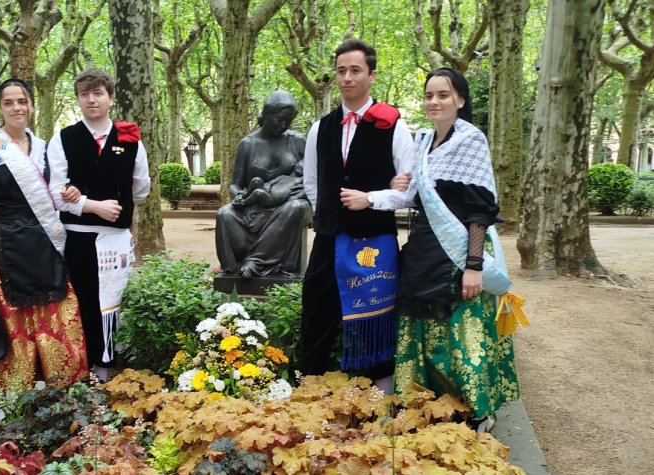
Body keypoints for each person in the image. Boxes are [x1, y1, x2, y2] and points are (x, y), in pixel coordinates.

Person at [388, 68, 520, 432]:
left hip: (461, 250)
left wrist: (474, 266)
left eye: (443, 95)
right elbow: (415, 194)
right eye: (429, 95)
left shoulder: (471, 139)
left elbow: (479, 209)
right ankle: (424, 400)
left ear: (460, 100)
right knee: (419, 326)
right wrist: (399, 182)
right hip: (423, 248)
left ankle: (477, 408)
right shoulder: (422, 140)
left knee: (461, 331)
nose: (434, 102)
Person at [0, 78, 88, 389]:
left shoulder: (44, 147)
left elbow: (54, 192)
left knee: (54, 314)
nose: (16, 108)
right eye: (9, 102)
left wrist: (72, 192)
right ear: (0, 108)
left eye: (22, 101)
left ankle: (55, 387)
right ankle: (15, 393)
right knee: (10, 320)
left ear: (31, 106)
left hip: (41, 243)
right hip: (1, 245)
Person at [299, 39, 414, 391]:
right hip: (330, 237)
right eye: (341, 71)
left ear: (371, 75)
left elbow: (409, 191)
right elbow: (311, 181)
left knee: (375, 315)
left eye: (355, 71)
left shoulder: (393, 125)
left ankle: (378, 392)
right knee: (317, 308)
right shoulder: (321, 128)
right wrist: (330, 214)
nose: (347, 78)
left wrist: (371, 200)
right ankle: (309, 385)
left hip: (375, 240)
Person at [47, 68, 150, 382]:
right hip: (78, 237)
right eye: (84, 94)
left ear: (110, 98)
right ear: (78, 99)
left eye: (98, 93)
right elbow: (56, 193)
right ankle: (81, 367)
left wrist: (115, 210)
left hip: (116, 238)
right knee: (82, 301)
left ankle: (107, 367)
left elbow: (141, 187)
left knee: (113, 301)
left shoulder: (130, 139)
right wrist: (93, 206)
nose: (91, 100)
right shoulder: (63, 138)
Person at [215, 91, 312, 279]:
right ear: (267, 114)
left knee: (296, 208)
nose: (283, 125)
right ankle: (235, 269)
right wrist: (239, 197)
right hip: (254, 204)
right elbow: (235, 184)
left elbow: (311, 179)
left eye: (288, 121)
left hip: (288, 203)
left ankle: (255, 262)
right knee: (224, 214)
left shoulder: (298, 141)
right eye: (279, 119)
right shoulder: (248, 144)